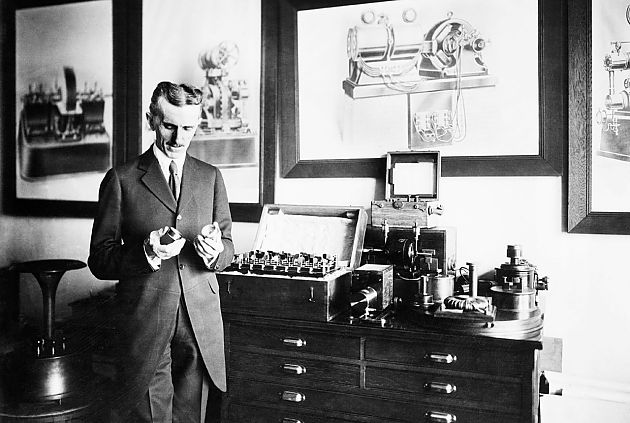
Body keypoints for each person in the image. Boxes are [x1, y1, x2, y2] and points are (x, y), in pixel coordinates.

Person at [88, 81, 234, 422]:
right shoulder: (121, 179)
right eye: (169, 126)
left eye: (189, 128)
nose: (179, 138)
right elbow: (99, 259)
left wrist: (215, 252)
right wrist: (146, 254)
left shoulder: (211, 177)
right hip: (145, 321)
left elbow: (228, 248)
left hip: (200, 323)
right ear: (151, 120)